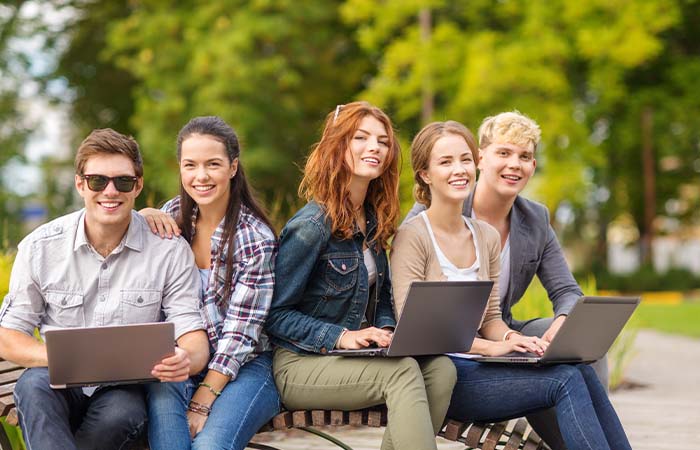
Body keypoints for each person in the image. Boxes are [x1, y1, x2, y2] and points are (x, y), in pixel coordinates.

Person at [391, 120, 631, 450]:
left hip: (481, 359)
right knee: (564, 381)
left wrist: (513, 340)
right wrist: (493, 347)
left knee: (580, 372)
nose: (458, 170)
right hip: (441, 371)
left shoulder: (486, 234)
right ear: (425, 174)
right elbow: (414, 326)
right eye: (446, 162)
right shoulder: (413, 233)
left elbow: (491, 316)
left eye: (463, 160)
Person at [0, 128, 209, 450]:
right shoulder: (40, 247)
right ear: (80, 184)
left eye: (122, 181)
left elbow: (192, 336)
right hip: (56, 378)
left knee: (122, 413)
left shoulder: (169, 251)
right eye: (98, 181)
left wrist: (187, 359)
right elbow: (9, 337)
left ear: (137, 185)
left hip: (122, 387)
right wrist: (67, 359)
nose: (110, 191)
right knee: (32, 388)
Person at [265, 101, 456, 450]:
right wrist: (342, 337)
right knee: (401, 374)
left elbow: (380, 297)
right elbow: (275, 316)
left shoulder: (372, 219)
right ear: (337, 146)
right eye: (361, 138)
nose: (375, 148)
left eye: (383, 141)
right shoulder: (311, 226)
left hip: (350, 359)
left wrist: (384, 330)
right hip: (300, 363)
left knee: (441, 370)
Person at [139, 116, 280, 450]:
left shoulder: (254, 237)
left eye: (212, 164)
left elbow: (241, 335)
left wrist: (204, 398)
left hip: (245, 367)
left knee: (209, 446)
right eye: (190, 165)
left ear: (232, 168)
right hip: (179, 362)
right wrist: (140, 217)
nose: (200, 176)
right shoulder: (170, 217)